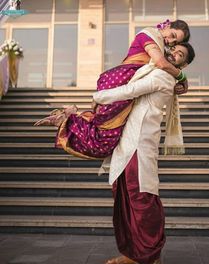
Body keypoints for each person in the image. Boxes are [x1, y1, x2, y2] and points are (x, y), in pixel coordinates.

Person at [93, 42, 195, 264]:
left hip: (140, 144)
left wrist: (97, 96)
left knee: (142, 199)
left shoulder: (163, 77)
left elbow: (130, 91)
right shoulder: (153, 68)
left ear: (184, 64)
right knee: (123, 199)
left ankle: (154, 262)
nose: (173, 54)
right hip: (126, 143)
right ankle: (132, 251)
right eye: (173, 49)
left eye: (179, 55)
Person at [34, 20, 190, 160]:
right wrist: (183, 77)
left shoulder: (160, 44)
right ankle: (68, 118)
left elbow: (160, 74)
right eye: (172, 35)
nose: (170, 41)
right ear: (168, 25)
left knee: (105, 133)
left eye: (175, 41)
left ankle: (72, 115)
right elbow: (161, 63)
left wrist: (175, 83)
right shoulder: (149, 34)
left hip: (123, 82)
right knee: (105, 142)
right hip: (118, 81)